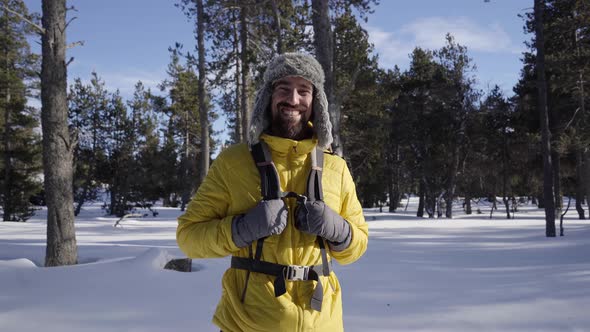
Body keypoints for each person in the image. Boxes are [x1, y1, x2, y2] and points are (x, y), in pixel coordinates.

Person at [176, 52, 368, 332]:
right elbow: (188, 237)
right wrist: (241, 229)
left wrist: (339, 230)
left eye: (304, 91)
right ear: (268, 97)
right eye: (283, 89)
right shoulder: (234, 162)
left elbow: (358, 245)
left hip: (323, 323)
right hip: (247, 324)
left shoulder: (335, 167)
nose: (293, 99)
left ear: (316, 103)